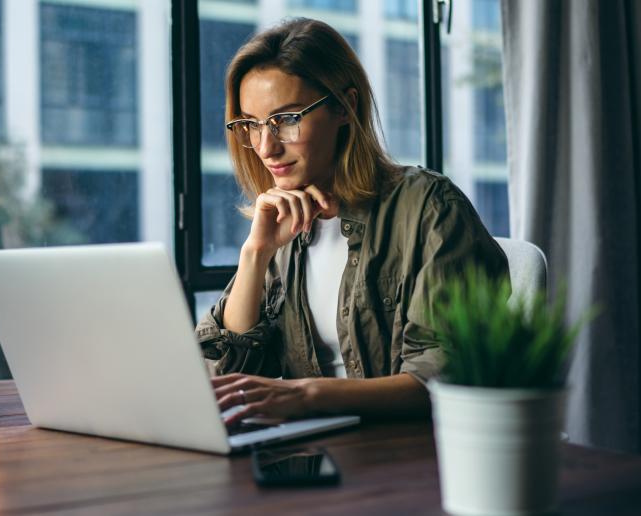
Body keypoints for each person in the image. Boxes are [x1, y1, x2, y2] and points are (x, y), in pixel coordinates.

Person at [196, 18, 508, 426]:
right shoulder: (282, 224)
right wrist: (255, 255)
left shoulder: (429, 207)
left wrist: (308, 395)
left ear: (344, 107)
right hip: (311, 452)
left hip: (405, 456)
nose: (265, 147)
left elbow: (442, 379)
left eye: (286, 119)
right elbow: (223, 378)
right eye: (251, 124)